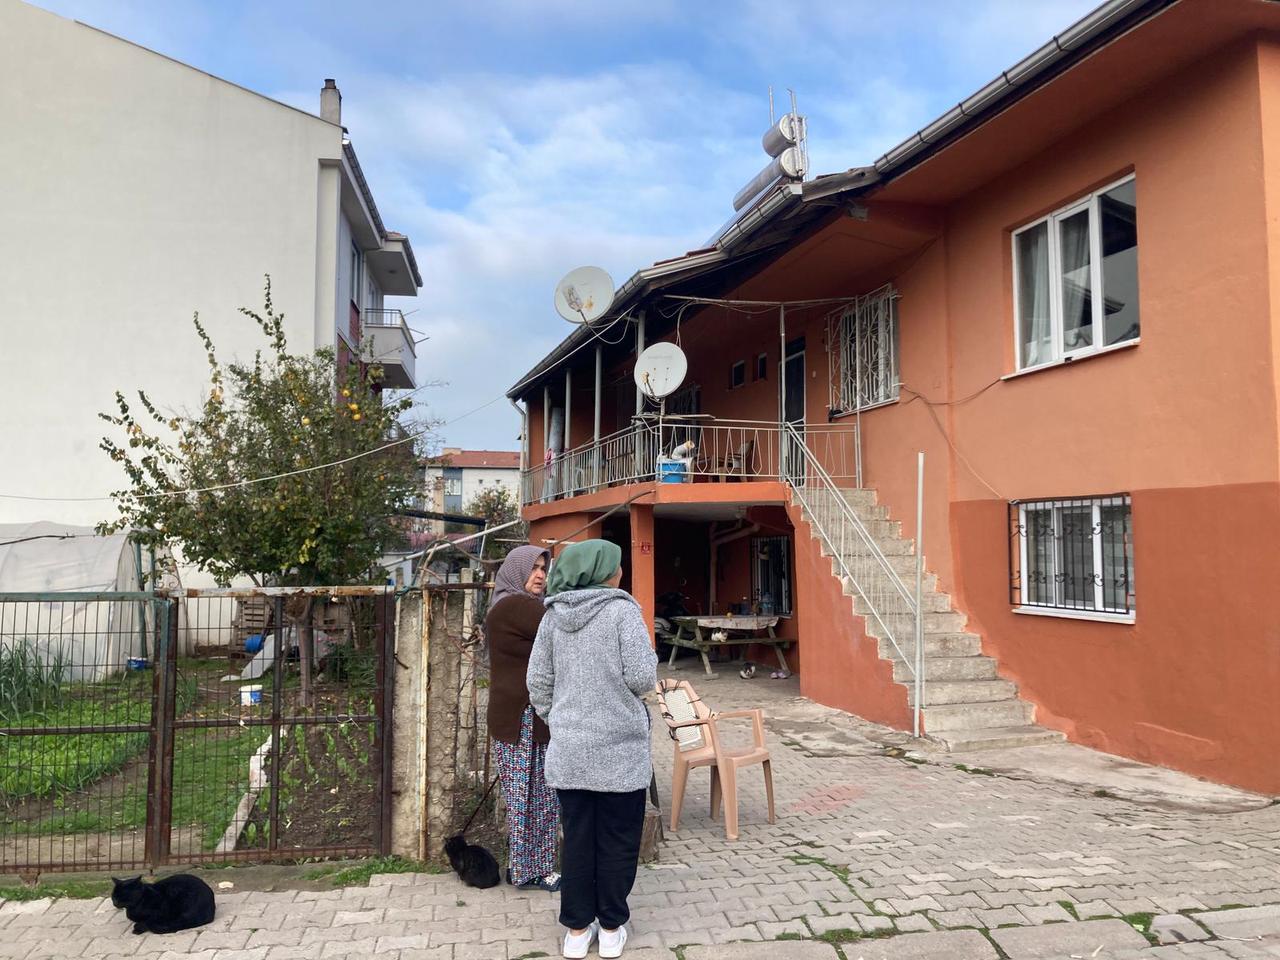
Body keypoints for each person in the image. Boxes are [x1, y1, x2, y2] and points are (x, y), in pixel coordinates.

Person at [527, 539, 658, 960]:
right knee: (619, 840)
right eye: (617, 566)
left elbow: (538, 683)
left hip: (571, 751)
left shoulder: (552, 617)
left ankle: (577, 931)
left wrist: (562, 720)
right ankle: (613, 926)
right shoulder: (623, 612)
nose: (622, 572)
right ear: (604, 572)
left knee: (578, 839)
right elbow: (641, 677)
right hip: (620, 750)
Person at [485, 545, 560, 892]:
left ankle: (534, 867)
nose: (541, 575)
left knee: (541, 796)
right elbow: (559, 625)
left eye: (544, 568)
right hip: (519, 718)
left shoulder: (520, 605)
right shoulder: (513, 606)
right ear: (516, 572)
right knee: (526, 798)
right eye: (533, 568)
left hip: (531, 717)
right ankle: (527, 868)